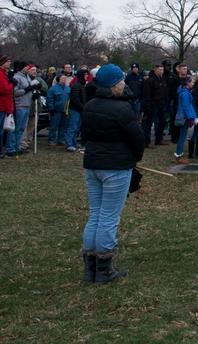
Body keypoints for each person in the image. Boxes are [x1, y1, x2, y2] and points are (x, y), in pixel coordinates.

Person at [81, 64, 145, 284]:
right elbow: (137, 139)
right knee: (108, 217)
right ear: (114, 84)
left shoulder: (90, 106)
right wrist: (134, 158)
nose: (123, 84)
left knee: (96, 215)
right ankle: (103, 269)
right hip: (115, 168)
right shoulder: (120, 109)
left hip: (93, 164)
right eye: (121, 81)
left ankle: (91, 269)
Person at [141, 63, 169, 147]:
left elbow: (165, 92)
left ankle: (159, 139)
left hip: (162, 104)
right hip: (153, 105)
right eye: (160, 70)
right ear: (155, 70)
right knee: (149, 124)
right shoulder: (150, 81)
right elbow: (147, 95)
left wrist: (165, 102)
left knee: (162, 122)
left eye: (163, 70)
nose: (162, 71)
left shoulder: (163, 80)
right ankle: (147, 142)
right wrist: (148, 106)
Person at [172, 76, 197, 164]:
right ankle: (178, 155)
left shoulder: (185, 92)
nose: (193, 84)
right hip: (184, 116)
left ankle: (179, 154)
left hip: (185, 115)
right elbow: (186, 107)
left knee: (183, 136)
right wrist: (190, 117)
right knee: (182, 137)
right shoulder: (185, 94)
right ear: (187, 83)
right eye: (192, 82)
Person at [66, 68, 89, 152]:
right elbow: (75, 99)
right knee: (72, 127)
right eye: (85, 74)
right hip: (75, 109)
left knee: (77, 128)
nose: (87, 76)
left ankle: (74, 143)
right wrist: (82, 106)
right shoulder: (76, 85)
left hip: (79, 109)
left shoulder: (82, 85)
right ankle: (69, 144)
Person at [47, 74, 72, 146]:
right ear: (58, 79)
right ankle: (51, 140)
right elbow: (50, 99)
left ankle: (61, 139)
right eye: (62, 78)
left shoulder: (68, 89)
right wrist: (51, 108)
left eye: (65, 78)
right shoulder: (53, 89)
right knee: (53, 126)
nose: (64, 79)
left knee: (63, 126)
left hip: (65, 110)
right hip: (56, 110)